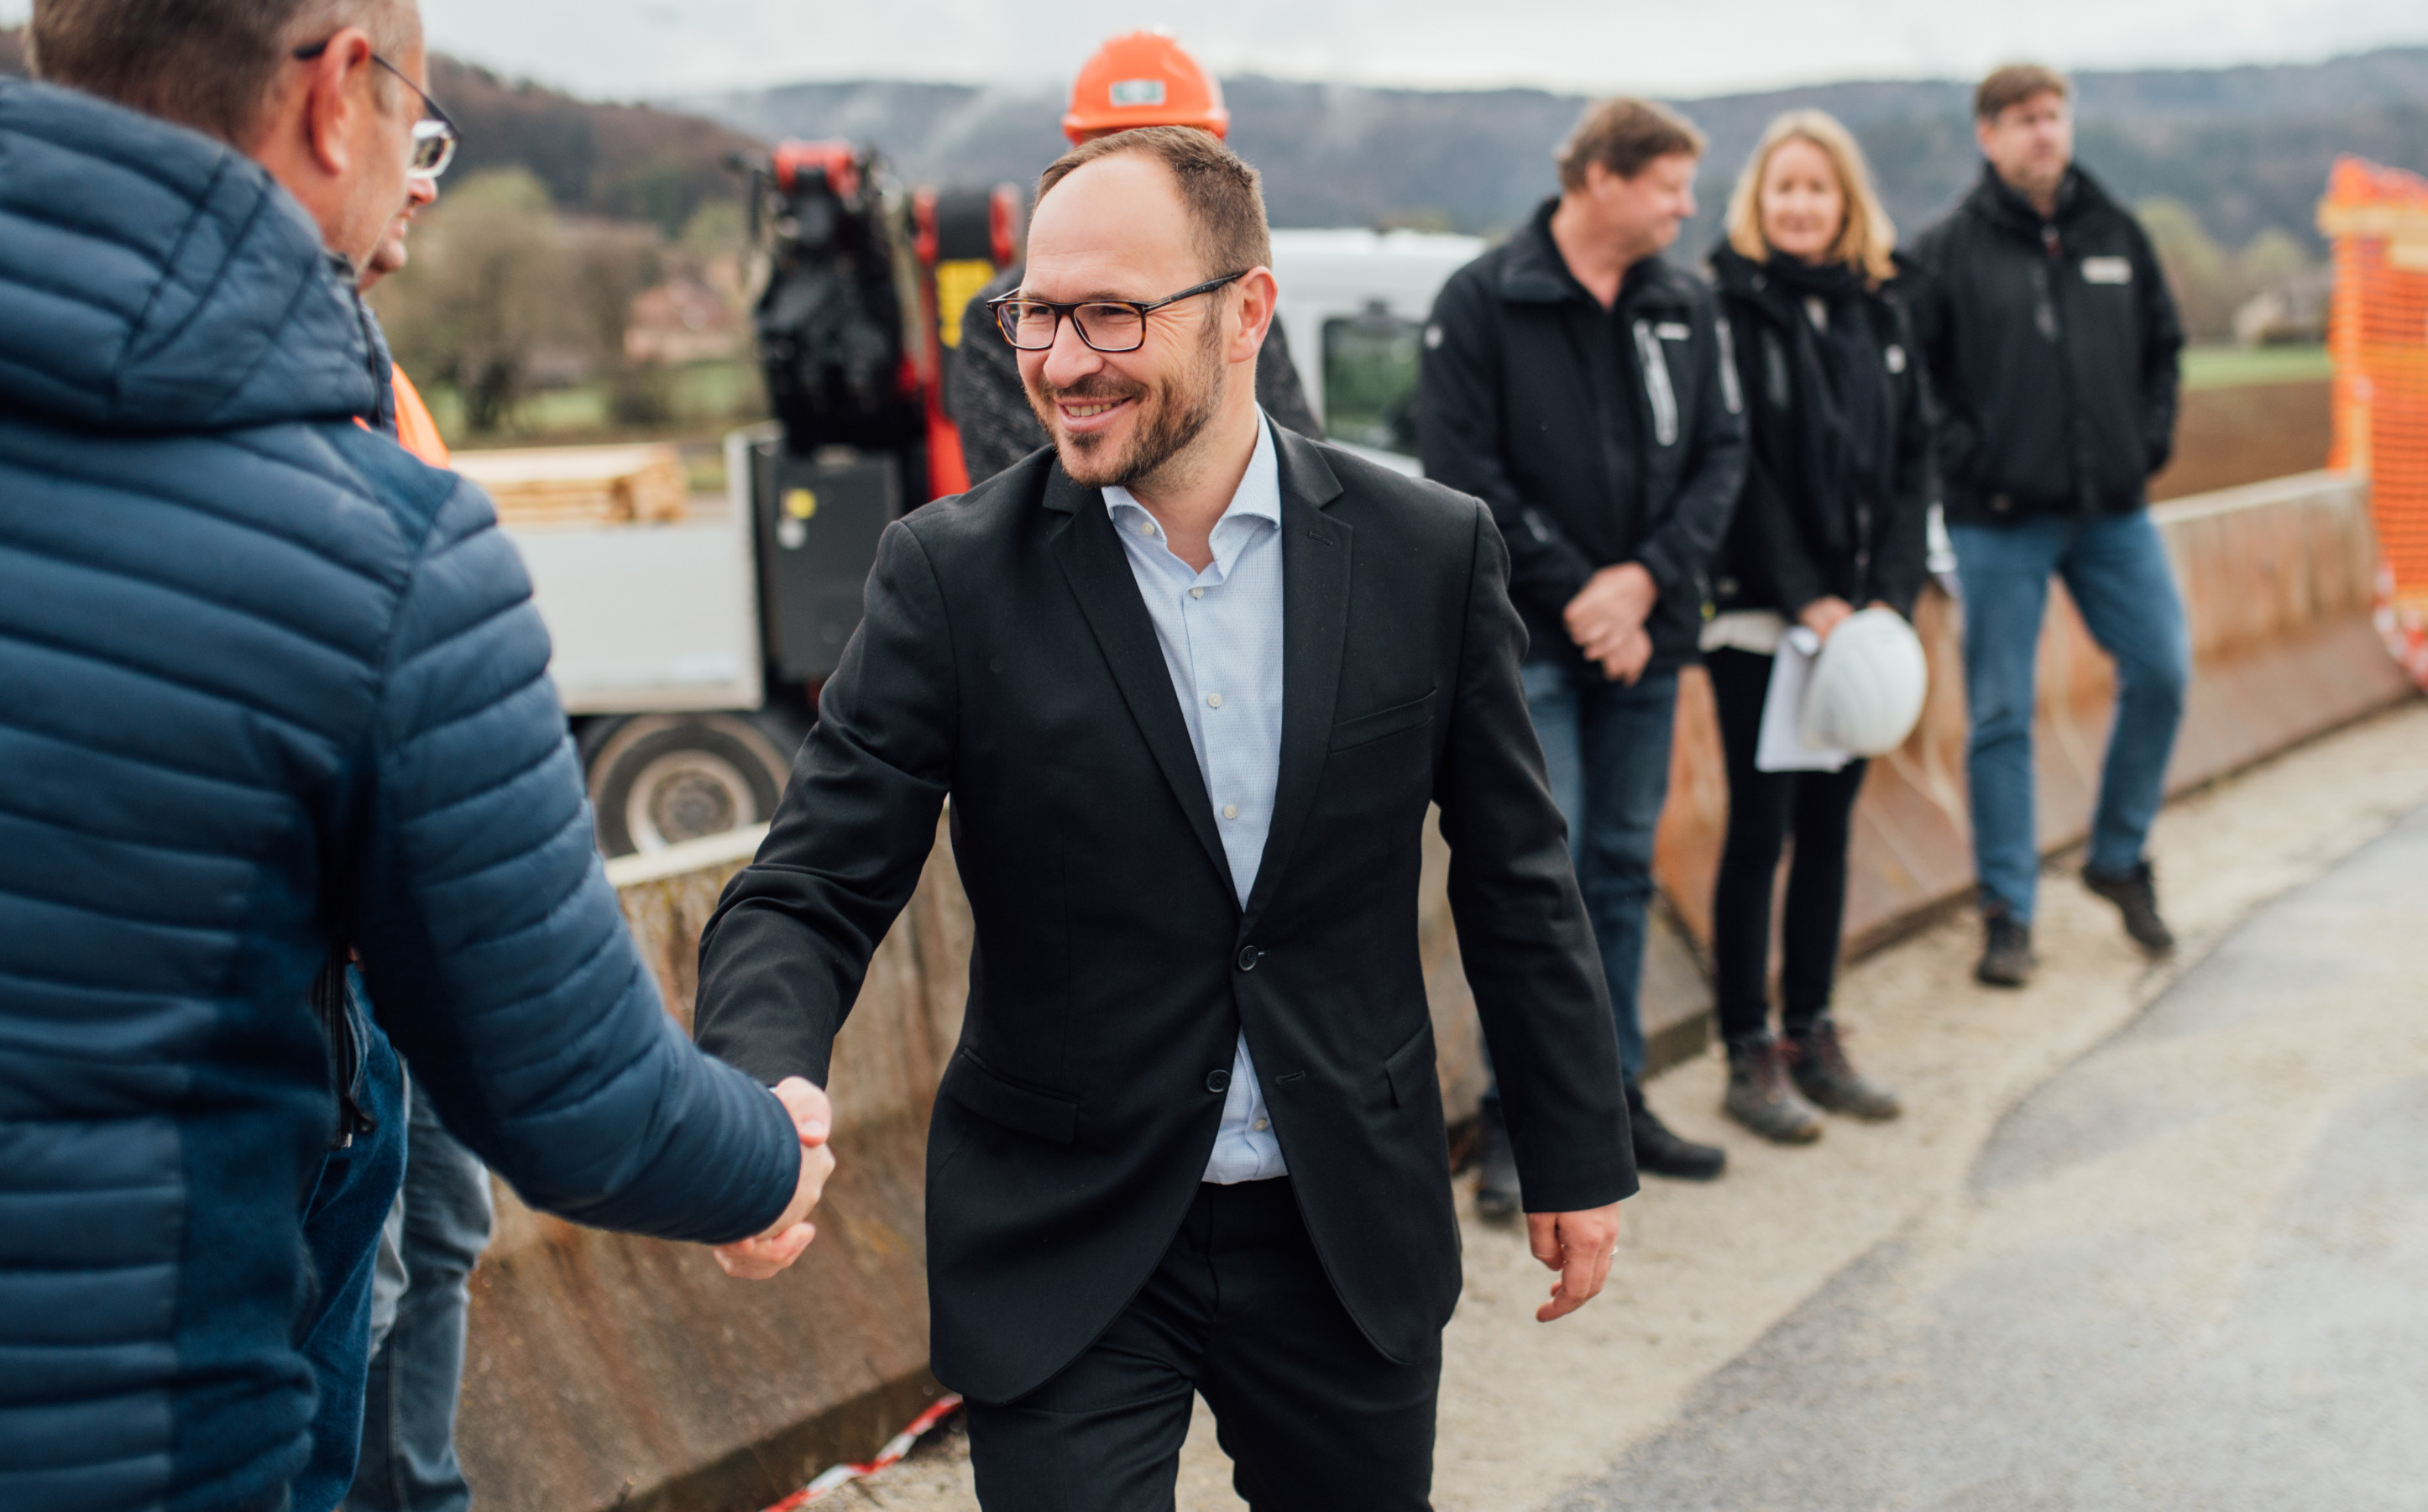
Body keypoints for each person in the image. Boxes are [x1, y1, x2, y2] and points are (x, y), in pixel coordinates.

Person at [0, 0, 829, 1509]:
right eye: (414, 112)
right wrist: (767, 1151)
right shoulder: (378, 550)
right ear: (337, 96)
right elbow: (575, 1094)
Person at [694, 125, 1635, 1511]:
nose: (1062, 361)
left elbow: (1514, 871)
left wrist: (1572, 1140)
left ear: (1246, 311)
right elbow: (811, 884)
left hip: (1343, 1223)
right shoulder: (949, 580)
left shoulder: (1430, 553)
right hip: (1062, 1230)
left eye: (1112, 314)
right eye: (1037, 314)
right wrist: (757, 1083)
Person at [1418, 97, 1747, 1196]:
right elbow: (1464, 473)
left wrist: (1645, 582)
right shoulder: (1483, 301)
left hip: (1646, 637)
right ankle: (1519, 1121)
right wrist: (1584, 596)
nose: (1686, 209)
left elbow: (1721, 456)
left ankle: (1611, 1097)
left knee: (1617, 869)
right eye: (1670, 186)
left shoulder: (1683, 304)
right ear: (1602, 179)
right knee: (1535, 881)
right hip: (1532, 642)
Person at [1908, 65, 2190, 986]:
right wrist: (1972, 462)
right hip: (1997, 521)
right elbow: (1918, 380)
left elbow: (2164, 347)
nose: (2043, 133)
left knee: (2161, 670)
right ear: (1987, 134)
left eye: (2053, 116)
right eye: (2023, 120)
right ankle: (2009, 911)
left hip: (2112, 512)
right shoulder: (1948, 250)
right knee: (2000, 714)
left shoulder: (2116, 232)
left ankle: (2117, 853)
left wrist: (2142, 445)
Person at [1703, 111, 1932, 1142]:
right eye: (1784, 188)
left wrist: (1887, 590)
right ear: (1759, 200)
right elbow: (1736, 462)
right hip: (1764, 619)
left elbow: (1911, 461)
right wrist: (1807, 595)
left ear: (1847, 205)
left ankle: (1815, 1030)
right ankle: (1748, 1051)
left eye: (1819, 190)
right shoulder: (1727, 309)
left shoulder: (1880, 312)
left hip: (1862, 620)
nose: (1800, 206)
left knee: (1833, 828)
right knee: (1762, 829)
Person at [343, 172, 496, 1512]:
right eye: (411, 124)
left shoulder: (376, 373)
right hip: (343, 929)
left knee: (441, 1229)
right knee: (365, 1266)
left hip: (422, 915)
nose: (429, 176)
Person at [942, 30, 1320, 485]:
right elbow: (1017, 511)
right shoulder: (1000, 322)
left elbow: (1298, 461)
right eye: (1117, 147)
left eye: (1115, 312)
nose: (1064, 361)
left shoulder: (1231, 297)